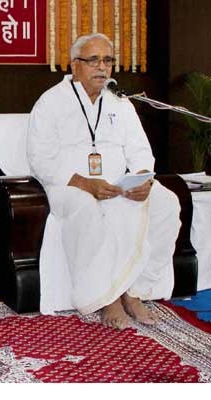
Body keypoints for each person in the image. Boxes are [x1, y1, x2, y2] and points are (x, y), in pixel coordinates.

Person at [27, 33, 181, 330]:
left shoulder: (119, 102)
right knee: (86, 208)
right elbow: (40, 158)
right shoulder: (51, 102)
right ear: (74, 65)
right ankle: (106, 297)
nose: (102, 67)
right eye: (94, 60)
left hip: (118, 184)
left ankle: (135, 290)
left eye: (108, 60)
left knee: (166, 203)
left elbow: (140, 150)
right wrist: (86, 184)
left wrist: (142, 179)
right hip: (69, 186)